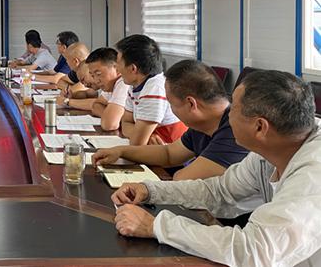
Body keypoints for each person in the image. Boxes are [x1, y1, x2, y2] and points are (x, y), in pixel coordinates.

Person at [111, 70, 321, 267]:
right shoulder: (270, 151)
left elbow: (253, 250)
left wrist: (155, 226)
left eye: (234, 108)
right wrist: (151, 190)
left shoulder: (313, 175)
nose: (228, 115)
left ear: (260, 127)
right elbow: (220, 191)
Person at [93, 60, 249, 180]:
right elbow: (168, 153)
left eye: (171, 104)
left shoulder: (235, 130)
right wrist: (120, 151)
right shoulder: (203, 125)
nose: (171, 111)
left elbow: (183, 179)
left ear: (191, 104)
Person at [115, 35, 187, 145]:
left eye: (118, 63)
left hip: (171, 151)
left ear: (133, 68)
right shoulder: (135, 85)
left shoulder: (154, 89)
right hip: (155, 149)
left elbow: (137, 144)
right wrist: (145, 136)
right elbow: (125, 124)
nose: (117, 68)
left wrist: (140, 136)